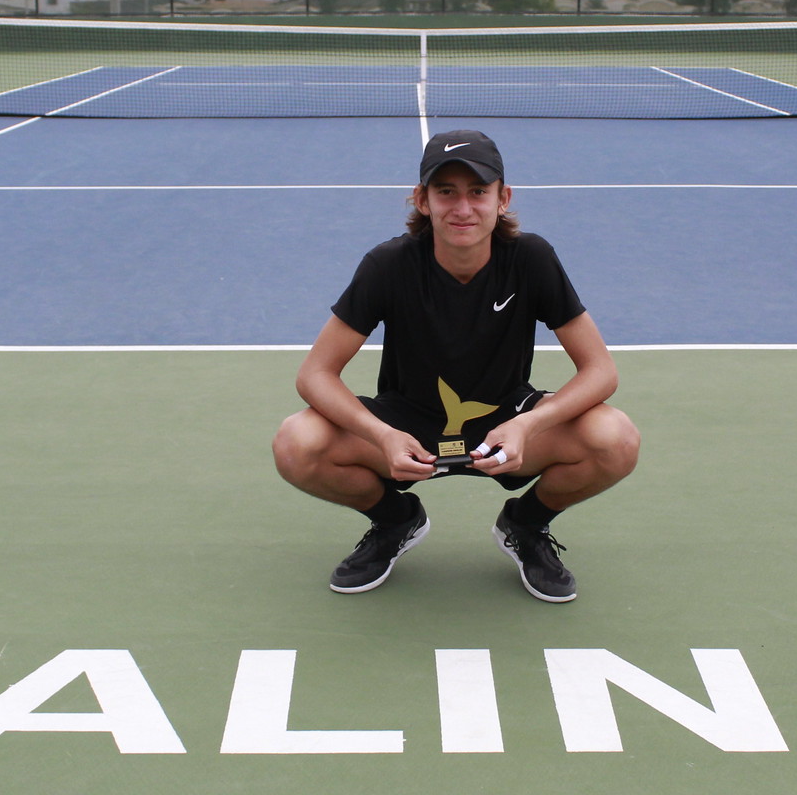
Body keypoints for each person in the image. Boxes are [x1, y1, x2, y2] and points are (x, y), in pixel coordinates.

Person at [272, 129, 640, 602]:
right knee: (296, 443)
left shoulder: (530, 259)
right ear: (421, 200)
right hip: (406, 423)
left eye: (478, 192)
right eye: (445, 192)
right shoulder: (388, 266)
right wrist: (382, 435)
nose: (462, 208)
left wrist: (529, 425)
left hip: (506, 426)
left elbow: (600, 371)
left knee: (616, 438)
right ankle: (394, 520)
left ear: (502, 198)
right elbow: (315, 374)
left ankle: (526, 526)